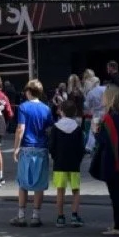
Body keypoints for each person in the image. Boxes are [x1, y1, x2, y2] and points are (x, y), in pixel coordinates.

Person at [90, 84, 119, 235]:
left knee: (115, 195)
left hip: (112, 161)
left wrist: (96, 132)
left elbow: (105, 141)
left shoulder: (109, 118)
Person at [12, 79, 53, 227]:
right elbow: (49, 130)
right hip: (41, 148)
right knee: (39, 184)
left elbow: (20, 129)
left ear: (28, 92)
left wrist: (16, 148)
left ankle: (21, 216)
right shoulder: (46, 109)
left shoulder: (23, 107)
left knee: (23, 183)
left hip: (27, 148)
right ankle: (36, 216)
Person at [49, 97, 86, 227]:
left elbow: (52, 146)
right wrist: (79, 159)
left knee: (60, 190)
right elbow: (81, 148)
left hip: (59, 163)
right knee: (75, 190)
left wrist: (55, 157)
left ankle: (60, 217)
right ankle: (75, 216)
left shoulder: (55, 127)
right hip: (74, 163)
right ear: (74, 113)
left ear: (62, 112)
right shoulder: (78, 128)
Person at [83, 71, 103, 146]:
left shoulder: (91, 92)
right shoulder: (105, 88)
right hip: (106, 114)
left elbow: (87, 106)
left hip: (96, 115)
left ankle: (94, 148)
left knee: (94, 132)